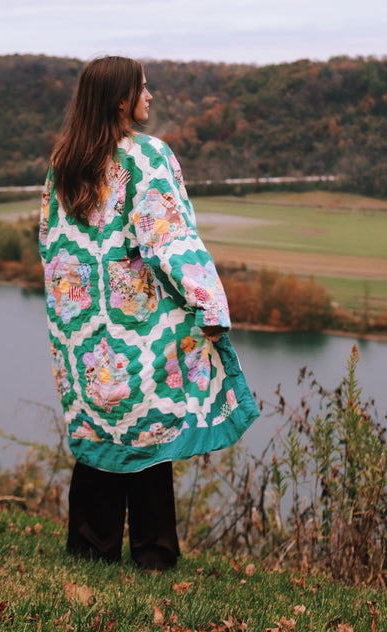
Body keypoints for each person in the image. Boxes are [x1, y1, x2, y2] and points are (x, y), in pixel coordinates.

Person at [39, 55, 259, 571]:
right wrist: (208, 304)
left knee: (100, 430)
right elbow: (170, 241)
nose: (151, 96)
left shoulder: (63, 163)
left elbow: (51, 249)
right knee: (148, 432)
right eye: (143, 87)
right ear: (122, 100)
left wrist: (71, 320)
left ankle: (90, 551)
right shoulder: (147, 156)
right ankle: (153, 556)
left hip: (83, 332)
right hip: (138, 323)